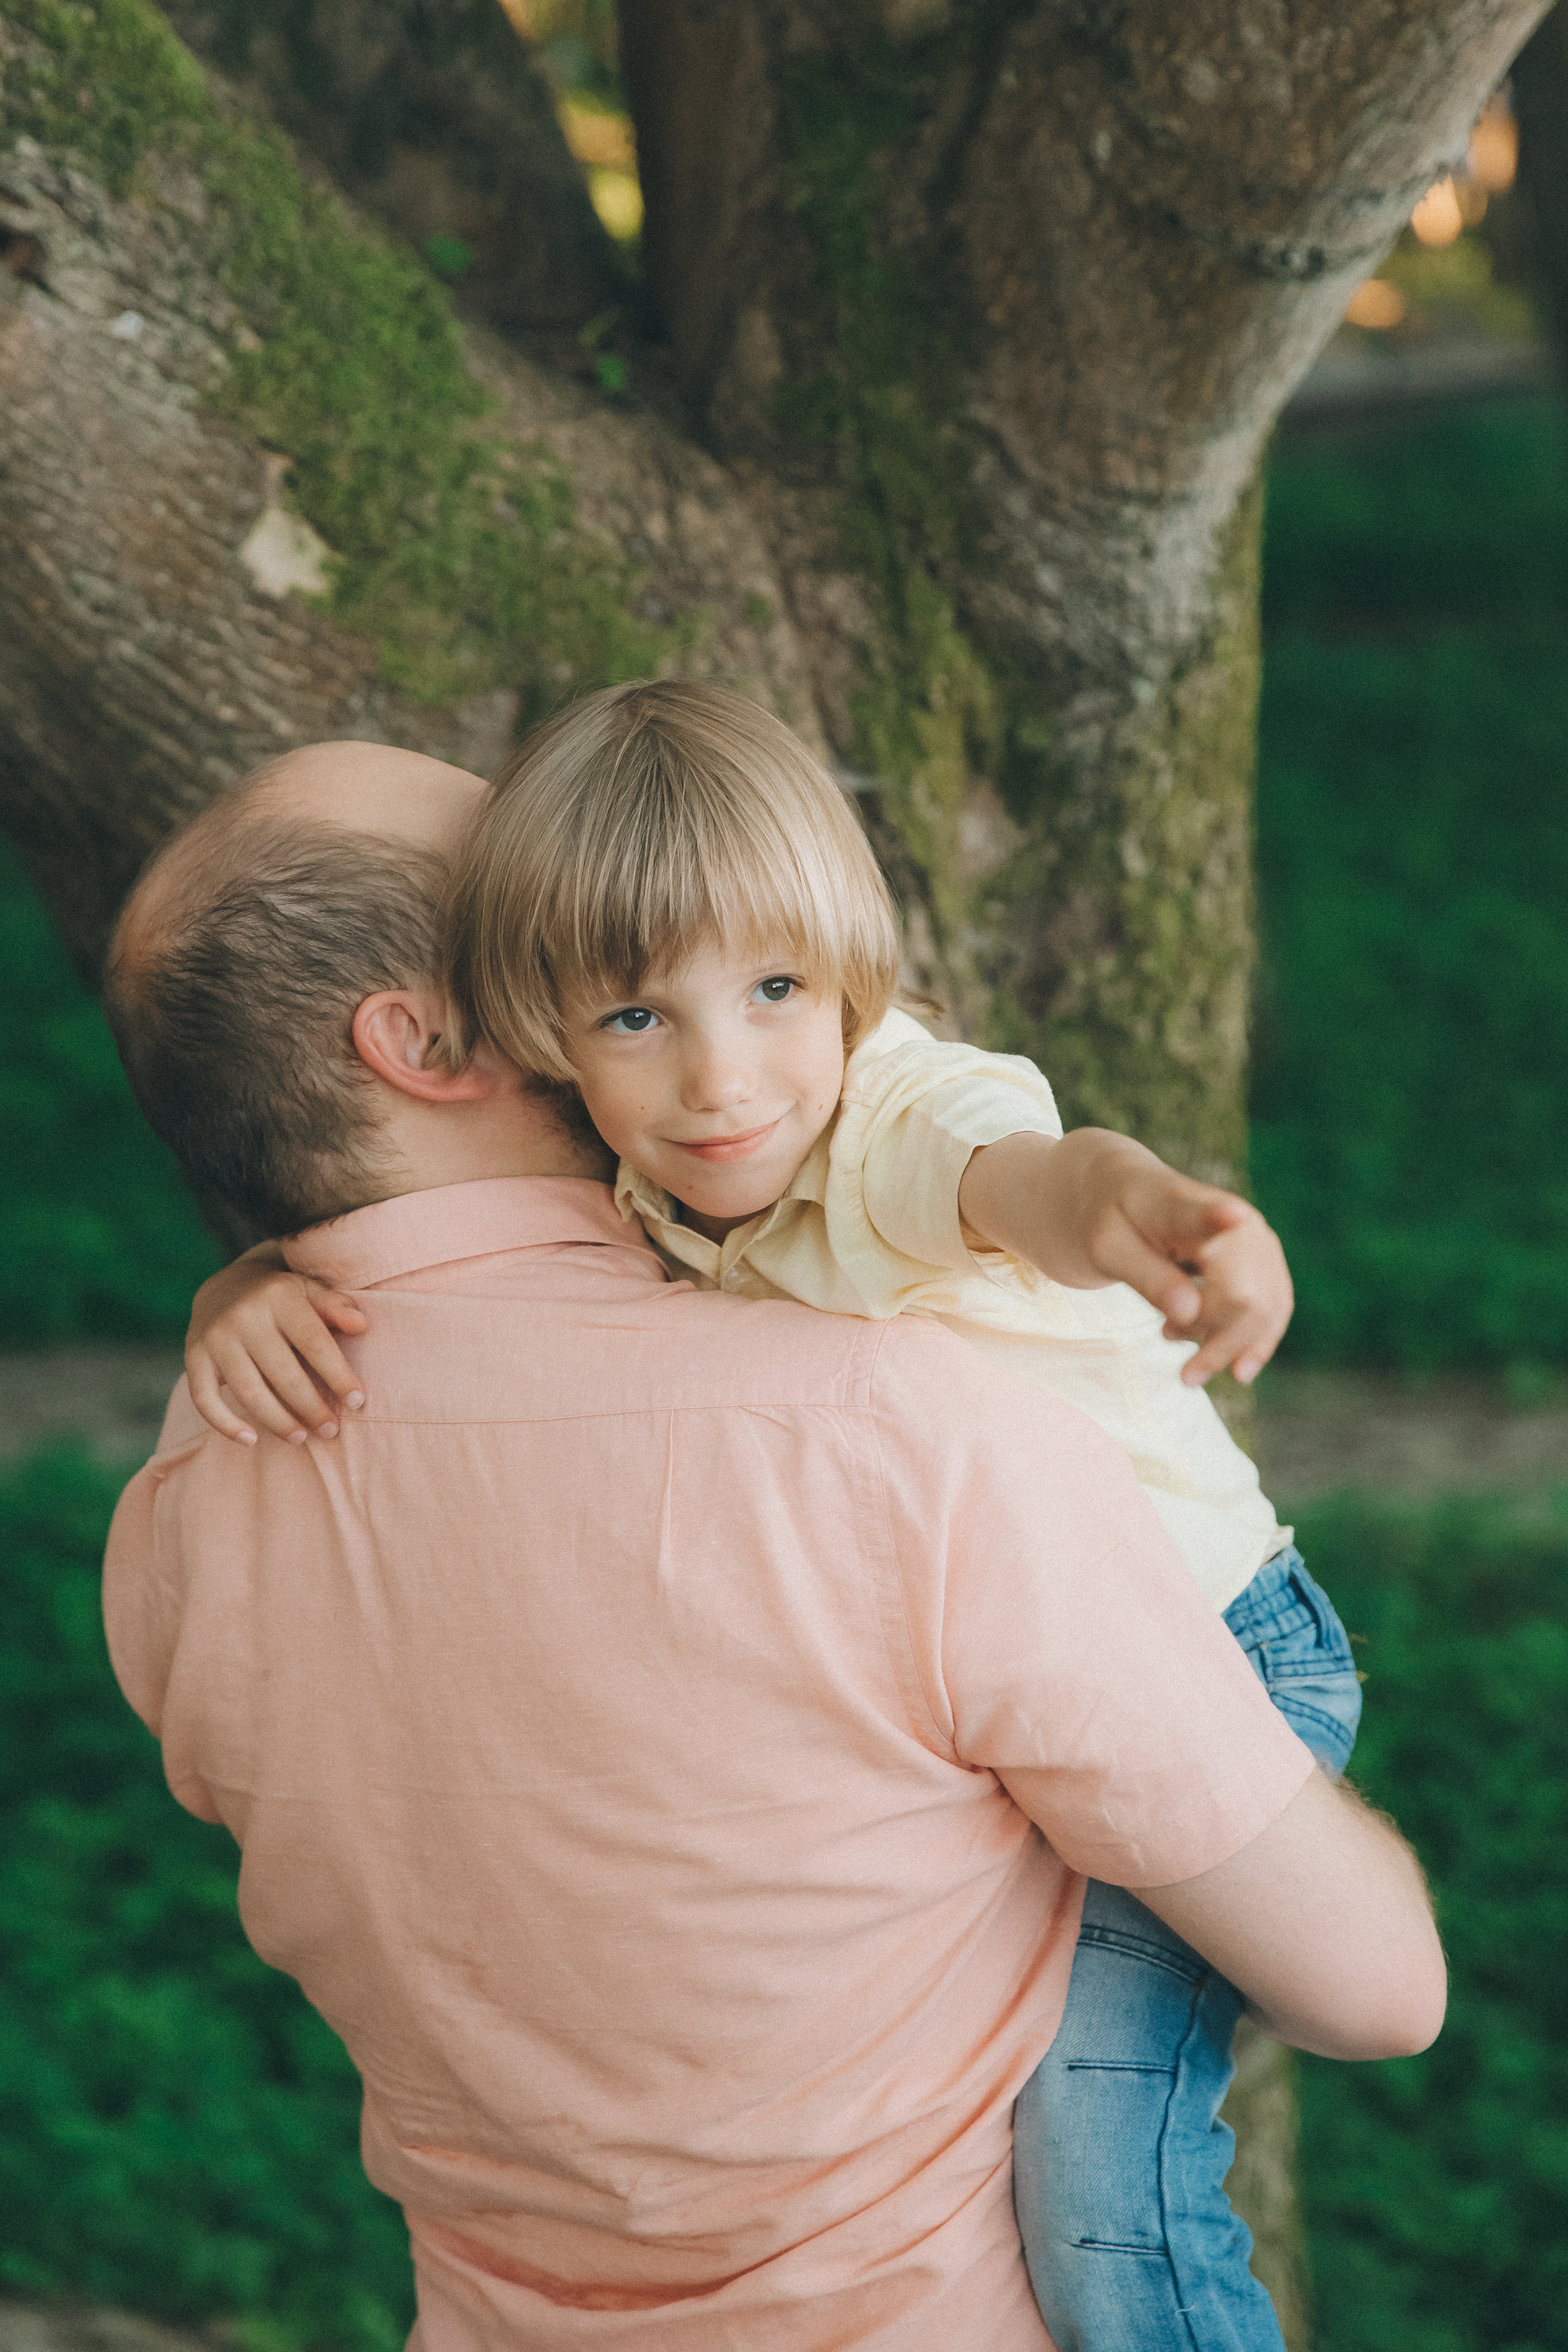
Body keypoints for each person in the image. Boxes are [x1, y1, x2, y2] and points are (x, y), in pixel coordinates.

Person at [101, 738, 1445, 2352]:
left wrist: (251, 1275)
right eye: (557, 933)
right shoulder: (886, 1435)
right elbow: (1379, 1989)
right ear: (430, 1042)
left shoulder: (183, 1518)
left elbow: (991, 1164)